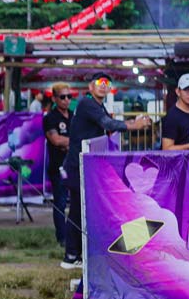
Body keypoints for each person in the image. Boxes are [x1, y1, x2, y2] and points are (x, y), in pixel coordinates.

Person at [61, 72, 152, 270]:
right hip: (77, 166)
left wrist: (128, 123)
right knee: (77, 209)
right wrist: (133, 125)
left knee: (83, 209)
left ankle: (79, 253)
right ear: (91, 86)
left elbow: (109, 126)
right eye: (100, 83)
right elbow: (108, 124)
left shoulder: (98, 105)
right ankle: (70, 255)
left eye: (107, 83)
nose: (104, 86)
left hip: (86, 166)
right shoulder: (87, 104)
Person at [43, 83, 73, 246]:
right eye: (63, 97)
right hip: (58, 166)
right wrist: (74, 141)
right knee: (60, 202)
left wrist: (69, 143)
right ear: (54, 98)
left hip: (74, 165)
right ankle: (62, 237)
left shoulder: (74, 116)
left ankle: (74, 235)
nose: (67, 100)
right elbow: (56, 140)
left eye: (69, 96)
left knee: (76, 202)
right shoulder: (50, 118)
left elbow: (80, 137)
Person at [161, 74, 189, 151]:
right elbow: (166, 149)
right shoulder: (172, 117)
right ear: (178, 91)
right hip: (178, 162)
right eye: (186, 89)